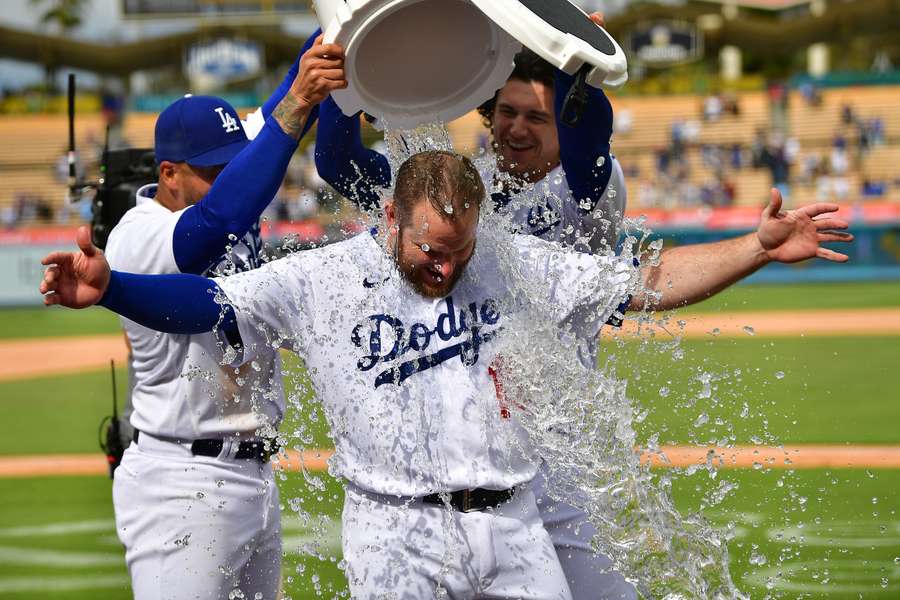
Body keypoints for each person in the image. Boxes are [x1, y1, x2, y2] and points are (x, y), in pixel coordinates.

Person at [41, 151, 852, 598]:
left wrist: (756, 250)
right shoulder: (322, 278)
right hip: (396, 531)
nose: (446, 267)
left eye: (459, 251)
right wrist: (113, 287)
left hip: (511, 521)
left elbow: (641, 283)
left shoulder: (504, 259)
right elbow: (208, 304)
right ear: (391, 216)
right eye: (431, 249)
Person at [314, 13, 637, 596]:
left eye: (537, 116)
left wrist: (573, 58)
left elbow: (591, 142)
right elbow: (341, 166)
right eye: (506, 112)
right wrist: (345, 59)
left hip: (555, 452)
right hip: (473, 450)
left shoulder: (589, 188)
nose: (515, 127)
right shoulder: (464, 188)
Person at [97, 34, 346, 599]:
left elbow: (293, 78)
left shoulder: (218, 172)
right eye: (214, 170)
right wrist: (297, 107)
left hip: (254, 472)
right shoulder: (138, 236)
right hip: (182, 481)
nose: (229, 176)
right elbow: (219, 218)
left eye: (234, 164)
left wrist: (340, 19)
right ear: (168, 174)